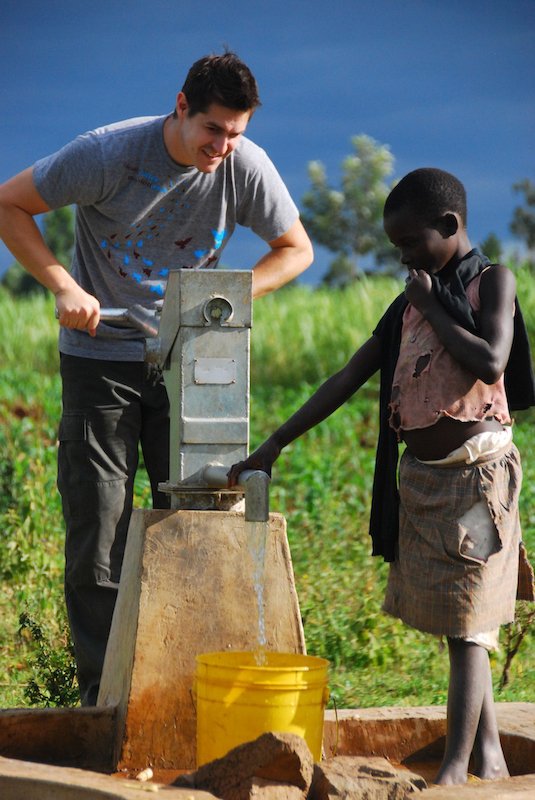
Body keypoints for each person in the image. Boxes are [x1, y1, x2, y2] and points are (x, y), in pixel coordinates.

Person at [0, 52, 313, 706]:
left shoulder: (244, 165)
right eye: (213, 130)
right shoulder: (106, 155)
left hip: (192, 363)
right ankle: (105, 698)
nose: (223, 146)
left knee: (197, 520)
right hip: (99, 360)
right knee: (100, 532)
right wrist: (63, 285)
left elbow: (296, 250)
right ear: (180, 107)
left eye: (236, 132)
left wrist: (222, 299)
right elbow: (10, 205)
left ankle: (188, 692)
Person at [229, 167, 535, 786]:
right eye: (396, 246)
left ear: (449, 227)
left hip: (478, 478)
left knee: (469, 625)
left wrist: (433, 306)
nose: (402, 257)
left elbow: (491, 358)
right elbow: (346, 379)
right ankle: (489, 755)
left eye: (411, 242)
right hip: (427, 483)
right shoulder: (408, 304)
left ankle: (454, 766)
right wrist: (273, 445)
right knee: (460, 621)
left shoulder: (488, 281)